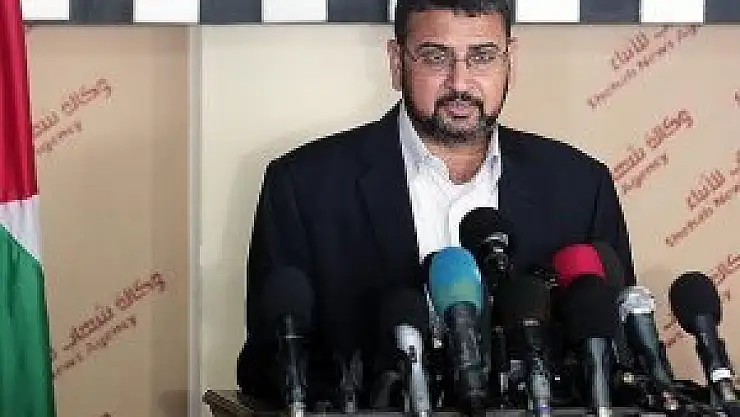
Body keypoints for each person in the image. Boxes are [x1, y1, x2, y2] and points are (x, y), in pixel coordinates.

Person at [237, 0, 636, 409]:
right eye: (435, 57)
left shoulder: (580, 187)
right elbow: (266, 368)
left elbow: (621, 359)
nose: (459, 82)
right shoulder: (304, 188)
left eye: (482, 56)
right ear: (397, 62)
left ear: (510, 61)